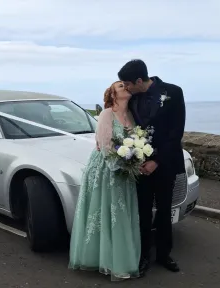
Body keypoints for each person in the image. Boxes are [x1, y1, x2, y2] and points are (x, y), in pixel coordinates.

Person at [117, 59, 186, 275]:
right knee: (142, 213)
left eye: (127, 83)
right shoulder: (132, 98)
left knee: (165, 211)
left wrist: (157, 161)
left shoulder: (174, 92)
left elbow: (176, 132)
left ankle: (164, 255)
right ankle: (143, 255)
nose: (125, 88)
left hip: (165, 164)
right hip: (140, 166)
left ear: (139, 80)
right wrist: (135, 158)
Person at [69, 81, 142, 282]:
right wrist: (121, 165)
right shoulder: (106, 114)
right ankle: (102, 259)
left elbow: (137, 142)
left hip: (126, 171)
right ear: (112, 94)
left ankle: (120, 259)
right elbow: (105, 144)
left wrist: (135, 160)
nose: (125, 88)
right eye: (120, 86)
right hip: (106, 170)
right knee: (104, 211)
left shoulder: (131, 115)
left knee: (121, 214)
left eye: (126, 86)